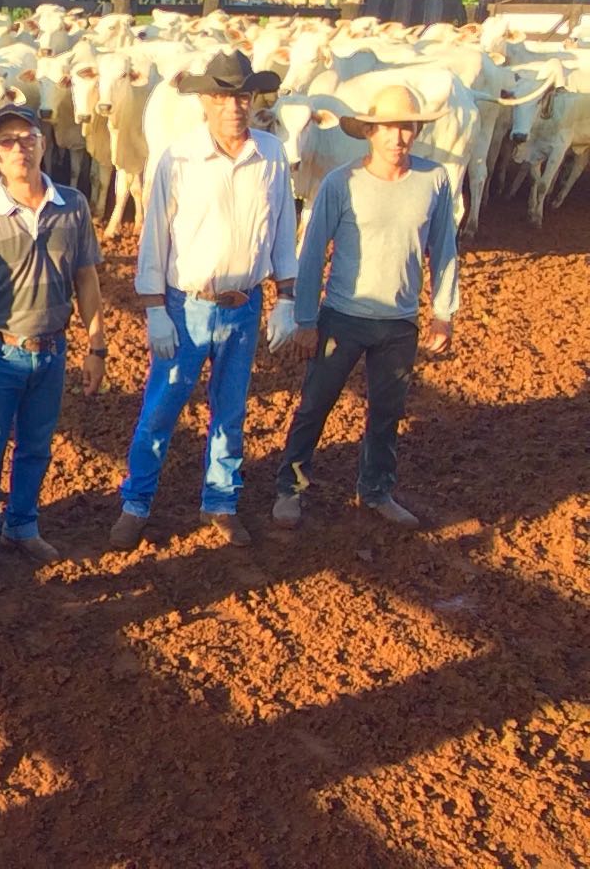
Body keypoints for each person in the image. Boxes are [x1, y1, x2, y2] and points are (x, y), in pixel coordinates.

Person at [109, 50, 298, 551]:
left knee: (230, 410)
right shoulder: (179, 156)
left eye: (241, 95)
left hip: (245, 303)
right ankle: (136, 501)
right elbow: (155, 236)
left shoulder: (271, 155)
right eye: (222, 96)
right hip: (187, 303)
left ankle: (221, 501)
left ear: (253, 100)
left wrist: (287, 296)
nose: (233, 106)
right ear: (205, 102)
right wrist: (153, 308)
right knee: (162, 405)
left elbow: (282, 228)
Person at [272, 85, 459, 530]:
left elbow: (445, 248)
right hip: (342, 316)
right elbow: (313, 252)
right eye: (389, 128)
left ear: (417, 132)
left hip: (400, 321)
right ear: (370, 132)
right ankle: (290, 487)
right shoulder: (342, 182)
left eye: (407, 128)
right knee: (315, 404)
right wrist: (305, 318)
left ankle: (376, 490)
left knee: (387, 411)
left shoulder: (434, 180)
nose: (399, 137)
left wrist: (444, 311)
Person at [0, 105, 106, 596]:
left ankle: (22, 524)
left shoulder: (73, 206)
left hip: (52, 350)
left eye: (26, 137)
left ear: (42, 142)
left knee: (37, 447)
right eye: (6, 141)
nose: (18, 148)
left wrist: (96, 344)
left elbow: (87, 279)